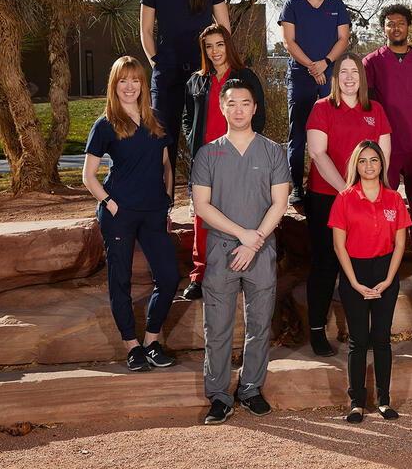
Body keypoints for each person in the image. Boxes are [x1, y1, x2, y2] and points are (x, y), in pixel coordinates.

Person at [191, 78, 290, 424]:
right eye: (231, 103)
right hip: (222, 251)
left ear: (254, 108)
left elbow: (280, 202)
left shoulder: (273, 151)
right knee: (217, 328)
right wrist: (242, 236)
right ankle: (218, 396)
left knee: (259, 325)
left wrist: (256, 239)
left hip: (261, 251)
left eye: (245, 103)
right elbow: (202, 206)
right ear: (221, 107)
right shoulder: (208, 154)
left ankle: (250, 389)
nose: (238, 110)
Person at [82, 56, 179, 373]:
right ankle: (132, 347)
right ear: (115, 85)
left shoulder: (155, 119)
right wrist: (110, 203)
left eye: (135, 80)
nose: (129, 86)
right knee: (119, 282)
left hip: (153, 212)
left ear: (142, 84)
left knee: (168, 278)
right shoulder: (106, 124)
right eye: (123, 80)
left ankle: (151, 341)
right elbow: (88, 176)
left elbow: (166, 163)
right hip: (119, 213)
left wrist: (167, 197)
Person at [305, 53, 392, 356]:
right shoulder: (322, 108)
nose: (349, 77)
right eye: (343, 72)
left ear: (362, 78)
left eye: (354, 72)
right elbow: (317, 153)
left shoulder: (376, 110)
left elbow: (383, 155)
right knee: (326, 263)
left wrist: (376, 194)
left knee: (363, 263)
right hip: (329, 198)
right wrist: (346, 192)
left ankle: (364, 334)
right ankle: (316, 329)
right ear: (335, 78)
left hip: (367, 200)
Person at [180, 23, 266, 300]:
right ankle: (200, 275)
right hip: (205, 162)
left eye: (219, 44)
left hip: (238, 160)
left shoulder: (246, 76)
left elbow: (260, 116)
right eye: (209, 46)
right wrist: (194, 139)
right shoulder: (196, 81)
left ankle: (236, 273)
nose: (215, 51)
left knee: (238, 217)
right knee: (203, 220)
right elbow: (186, 117)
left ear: (228, 45)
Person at [330, 141, 411, 423]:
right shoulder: (344, 198)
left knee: (382, 339)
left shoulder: (394, 199)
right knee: (358, 341)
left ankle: (384, 401)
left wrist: (389, 279)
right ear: (356, 165)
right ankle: (356, 403)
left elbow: (400, 243)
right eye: (362, 161)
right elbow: (339, 246)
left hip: (384, 272)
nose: (368, 166)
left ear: (381, 164)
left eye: (373, 160)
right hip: (355, 273)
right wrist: (353, 282)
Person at [363, 4, 412, 291]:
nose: (395, 28)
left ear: (409, 27)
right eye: (389, 23)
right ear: (383, 28)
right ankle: (381, 262)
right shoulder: (371, 62)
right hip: (387, 150)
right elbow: (367, 106)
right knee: (382, 205)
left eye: (400, 23)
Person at [140, 0, 231, 171]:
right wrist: (155, 62)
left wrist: (219, 63)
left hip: (202, 71)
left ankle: (199, 195)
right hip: (167, 71)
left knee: (201, 135)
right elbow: (146, 31)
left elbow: (224, 28)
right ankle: (163, 201)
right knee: (162, 136)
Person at [279, 0, 352, 209]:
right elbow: (289, 42)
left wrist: (325, 62)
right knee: (298, 133)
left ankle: (331, 183)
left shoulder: (336, 5)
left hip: (330, 74)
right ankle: (297, 185)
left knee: (333, 132)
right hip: (302, 76)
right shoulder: (292, 6)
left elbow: (343, 38)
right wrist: (312, 66)